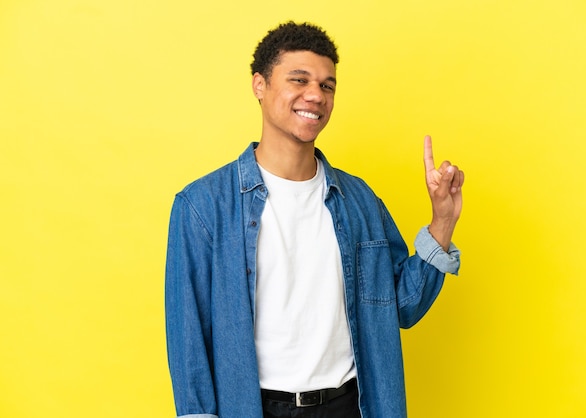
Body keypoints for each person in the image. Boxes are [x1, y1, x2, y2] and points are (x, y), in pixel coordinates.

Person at [165, 21, 464, 418]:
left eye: (327, 85)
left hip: (350, 405)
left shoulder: (359, 201)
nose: (315, 96)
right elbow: (189, 341)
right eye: (299, 80)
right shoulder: (202, 207)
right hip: (254, 407)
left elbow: (403, 308)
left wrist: (441, 221)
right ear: (259, 85)